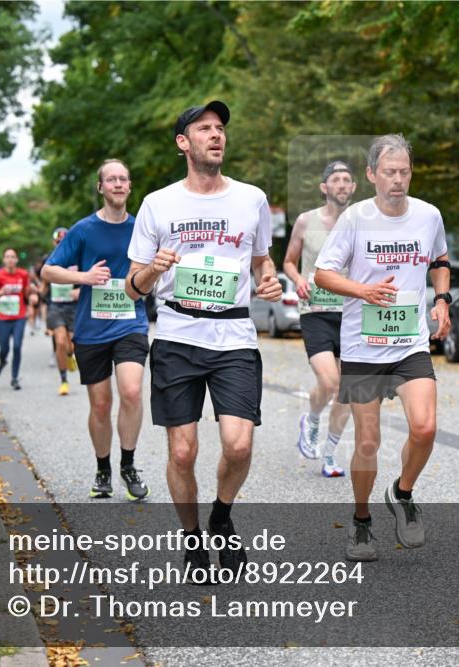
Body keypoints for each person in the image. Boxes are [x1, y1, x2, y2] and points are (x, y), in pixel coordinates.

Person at [126, 100, 282, 579]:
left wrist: (270, 279)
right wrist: (153, 268)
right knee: (182, 452)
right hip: (176, 333)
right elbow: (134, 285)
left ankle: (220, 517)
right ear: (183, 143)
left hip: (234, 335)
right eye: (204, 129)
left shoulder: (251, 199)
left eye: (220, 128)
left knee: (238, 446)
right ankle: (192, 541)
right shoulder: (158, 203)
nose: (216, 135)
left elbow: (262, 261)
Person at [314, 134, 451, 562]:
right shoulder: (355, 218)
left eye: (405, 171)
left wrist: (442, 300)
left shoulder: (428, 216)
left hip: (410, 344)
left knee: (425, 428)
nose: (398, 180)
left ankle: (402, 492)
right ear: (372, 174)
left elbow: (440, 261)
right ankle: (360, 522)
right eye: (389, 172)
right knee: (368, 442)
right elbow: (322, 274)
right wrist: (363, 291)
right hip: (362, 347)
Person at [43, 159, 150, 502]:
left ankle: (128, 465)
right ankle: (103, 469)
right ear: (101, 188)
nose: (118, 184)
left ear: (129, 187)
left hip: (130, 322)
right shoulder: (84, 229)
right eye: (111, 179)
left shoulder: (143, 228)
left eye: (124, 178)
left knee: (132, 392)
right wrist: (84, 277)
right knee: (101, 405)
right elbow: (49, 271)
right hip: (91, 329)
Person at [282, 160, 357, 477]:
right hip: (315, 311)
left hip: (351, 313)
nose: (342, 184)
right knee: (330, 382)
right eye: (336, 180)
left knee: (348, 392)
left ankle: (330, 454)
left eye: (347, 180)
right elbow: (288, 261)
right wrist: (298, 279)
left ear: (353, 188)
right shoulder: (305, 221)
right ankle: (311, 419)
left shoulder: (362, 223)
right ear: (324, 188)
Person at [0, 248, 32, 390]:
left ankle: (14, 378)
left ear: (17, 259)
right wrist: (1, 292)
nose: (10, 259)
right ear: (4, 260)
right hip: (2, 317)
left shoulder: (23, 274)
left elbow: (26, 293)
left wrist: (31, 301)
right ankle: (2, 362)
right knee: (4, 349)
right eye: (7, 257)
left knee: (17, 346)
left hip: (19, 316)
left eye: (13, 257)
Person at [45, 227, 80, 396]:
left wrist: (80, 290)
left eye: (64, 242)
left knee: (72, 345)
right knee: (60, 341)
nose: (60, 245)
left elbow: (88, 278)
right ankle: (64, 380)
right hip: (55, 306)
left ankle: (69, 355)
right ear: (54, 242)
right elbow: (44, 285)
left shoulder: (78, 259)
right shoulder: (49, 259)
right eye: (58, 242)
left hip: (74, 307)